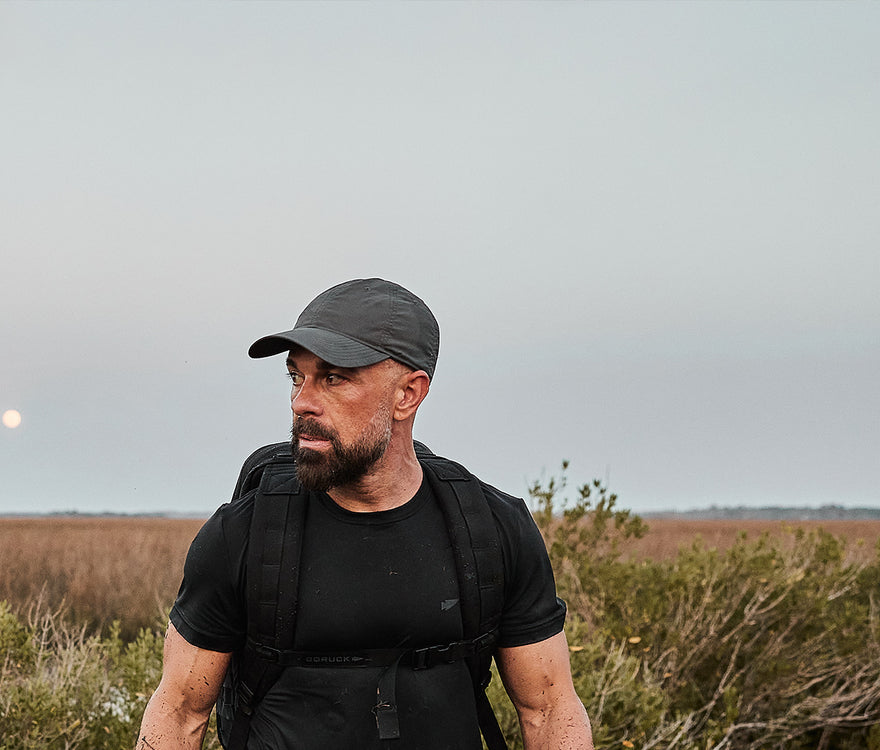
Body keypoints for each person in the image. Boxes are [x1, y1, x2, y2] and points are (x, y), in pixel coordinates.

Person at [137, 278, 592, 750]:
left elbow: (550, 709)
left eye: (333, 378)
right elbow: (179, 712)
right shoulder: (243, 536)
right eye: (297, 377)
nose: (301, 402)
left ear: (408, 395)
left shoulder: (493, 531)